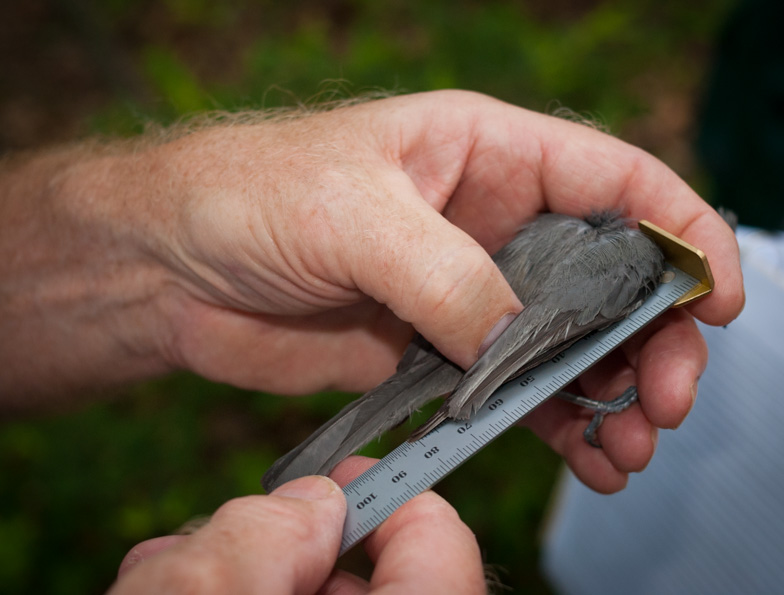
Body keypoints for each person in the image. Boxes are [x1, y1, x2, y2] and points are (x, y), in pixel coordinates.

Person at [0, 90, 744, 593]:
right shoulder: (611, 263)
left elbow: (546, 344)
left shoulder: (567, 234)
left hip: (453, 354)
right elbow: (536, 343)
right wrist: (493, 368)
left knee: (418, 391)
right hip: (472, 355)